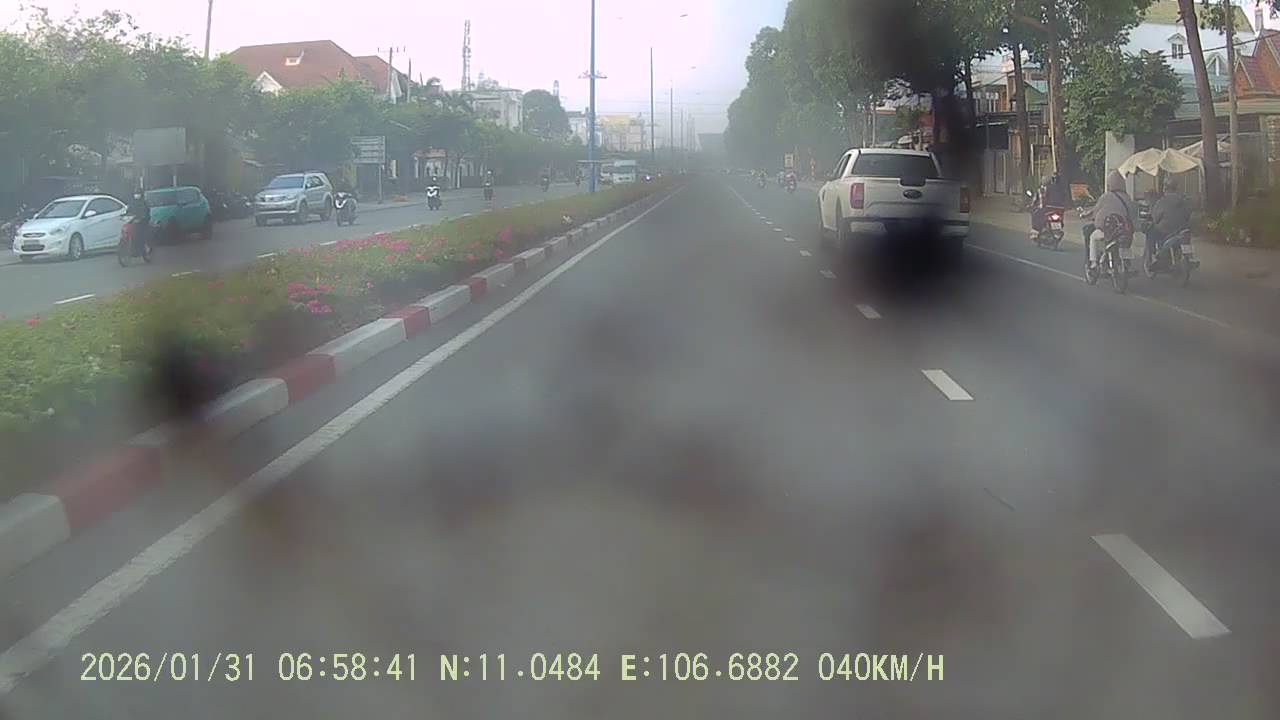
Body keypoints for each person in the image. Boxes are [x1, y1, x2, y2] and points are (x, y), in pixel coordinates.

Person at [1079, 171, 1139, 270]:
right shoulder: (1127, 197)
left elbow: (1095, 210)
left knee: (1093, 237)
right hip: (1124, 231)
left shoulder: (1106, 196)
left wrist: (1087, 215)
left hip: (1107, 231)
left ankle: (1094, 263)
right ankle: (1125, 262)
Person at [1147, 176, 1192, 264]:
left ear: (1165, 188)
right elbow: (1188, 214)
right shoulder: (1183, 200)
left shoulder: (1162, 201)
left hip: (1165, 230)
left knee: (1150, 232)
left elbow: (1155, 218)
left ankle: (1153, 257)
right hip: (1181, 229)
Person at [125, 189, 151, 255]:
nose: (136, 195)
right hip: (134, 221)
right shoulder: (132, 203)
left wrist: (142, 217)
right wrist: (126, 216)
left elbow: (146, 212)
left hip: (143, 221)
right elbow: (128, 211)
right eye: (136, 193)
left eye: (138, 193)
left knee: (141, 235)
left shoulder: (144, 203)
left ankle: (145, 247)